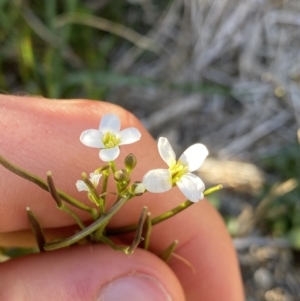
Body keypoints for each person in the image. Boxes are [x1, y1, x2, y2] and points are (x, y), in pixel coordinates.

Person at [0, 95, 244, 301]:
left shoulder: (150, 177)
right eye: (108, 140)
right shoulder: (115, 163)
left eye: (178, 171)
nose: (177, 170)